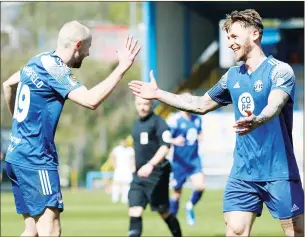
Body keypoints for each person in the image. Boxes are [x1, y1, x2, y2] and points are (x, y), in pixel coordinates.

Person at [128, 9, 304, 236]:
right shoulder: (231, 76)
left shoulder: (280, 71)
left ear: (255, 34)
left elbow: (274, 104)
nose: (230, 43)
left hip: (279, 170)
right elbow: (200, 104)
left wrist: (257, 120)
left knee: (295, 231)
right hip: (243, 173)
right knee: (236, 229)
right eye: (228, 37)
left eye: (234, 37)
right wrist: (159, 94)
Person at [3, 20, 141, 237]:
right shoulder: (56, 70)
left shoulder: (37, 61)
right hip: (35, 159)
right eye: (88, 47)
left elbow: (8, 85)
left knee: (32, 232)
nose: (88, 53)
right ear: (78, 45)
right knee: (51, 230)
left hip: (15, 155)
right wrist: (122, 67)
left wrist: (19, 126)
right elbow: (91, 100)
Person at [128, 96, 182, 237]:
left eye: (145, 104)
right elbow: (136, 147)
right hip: (139, 176)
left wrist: (150, 165)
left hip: (157, 174)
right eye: (139, 104)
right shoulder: (136, 124)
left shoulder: (159, 123)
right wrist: (134, 166)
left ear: (152, 103)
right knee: (135, 210)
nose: (142, 107)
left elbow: (165, 146)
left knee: (163, 212)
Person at [166, 106, 205, 226]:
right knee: (176, 193)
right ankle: (173, 220)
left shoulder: (197, 118)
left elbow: (200, 132)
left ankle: (189, 205)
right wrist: (174, 141)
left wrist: (200, 136)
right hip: (179, 162)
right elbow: (166, 138)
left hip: (193, 160)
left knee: (200, 186)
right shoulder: (175, 120)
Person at [109, 139, 135, 204]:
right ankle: (115, 198)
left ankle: (125, 199)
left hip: (127, 169)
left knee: (127, 184)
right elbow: (111, 157)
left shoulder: (130, 150)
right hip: (119, 169)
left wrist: (132, 167)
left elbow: (133, 159)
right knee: (116, 183)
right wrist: (114, 165)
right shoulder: (117, 149)